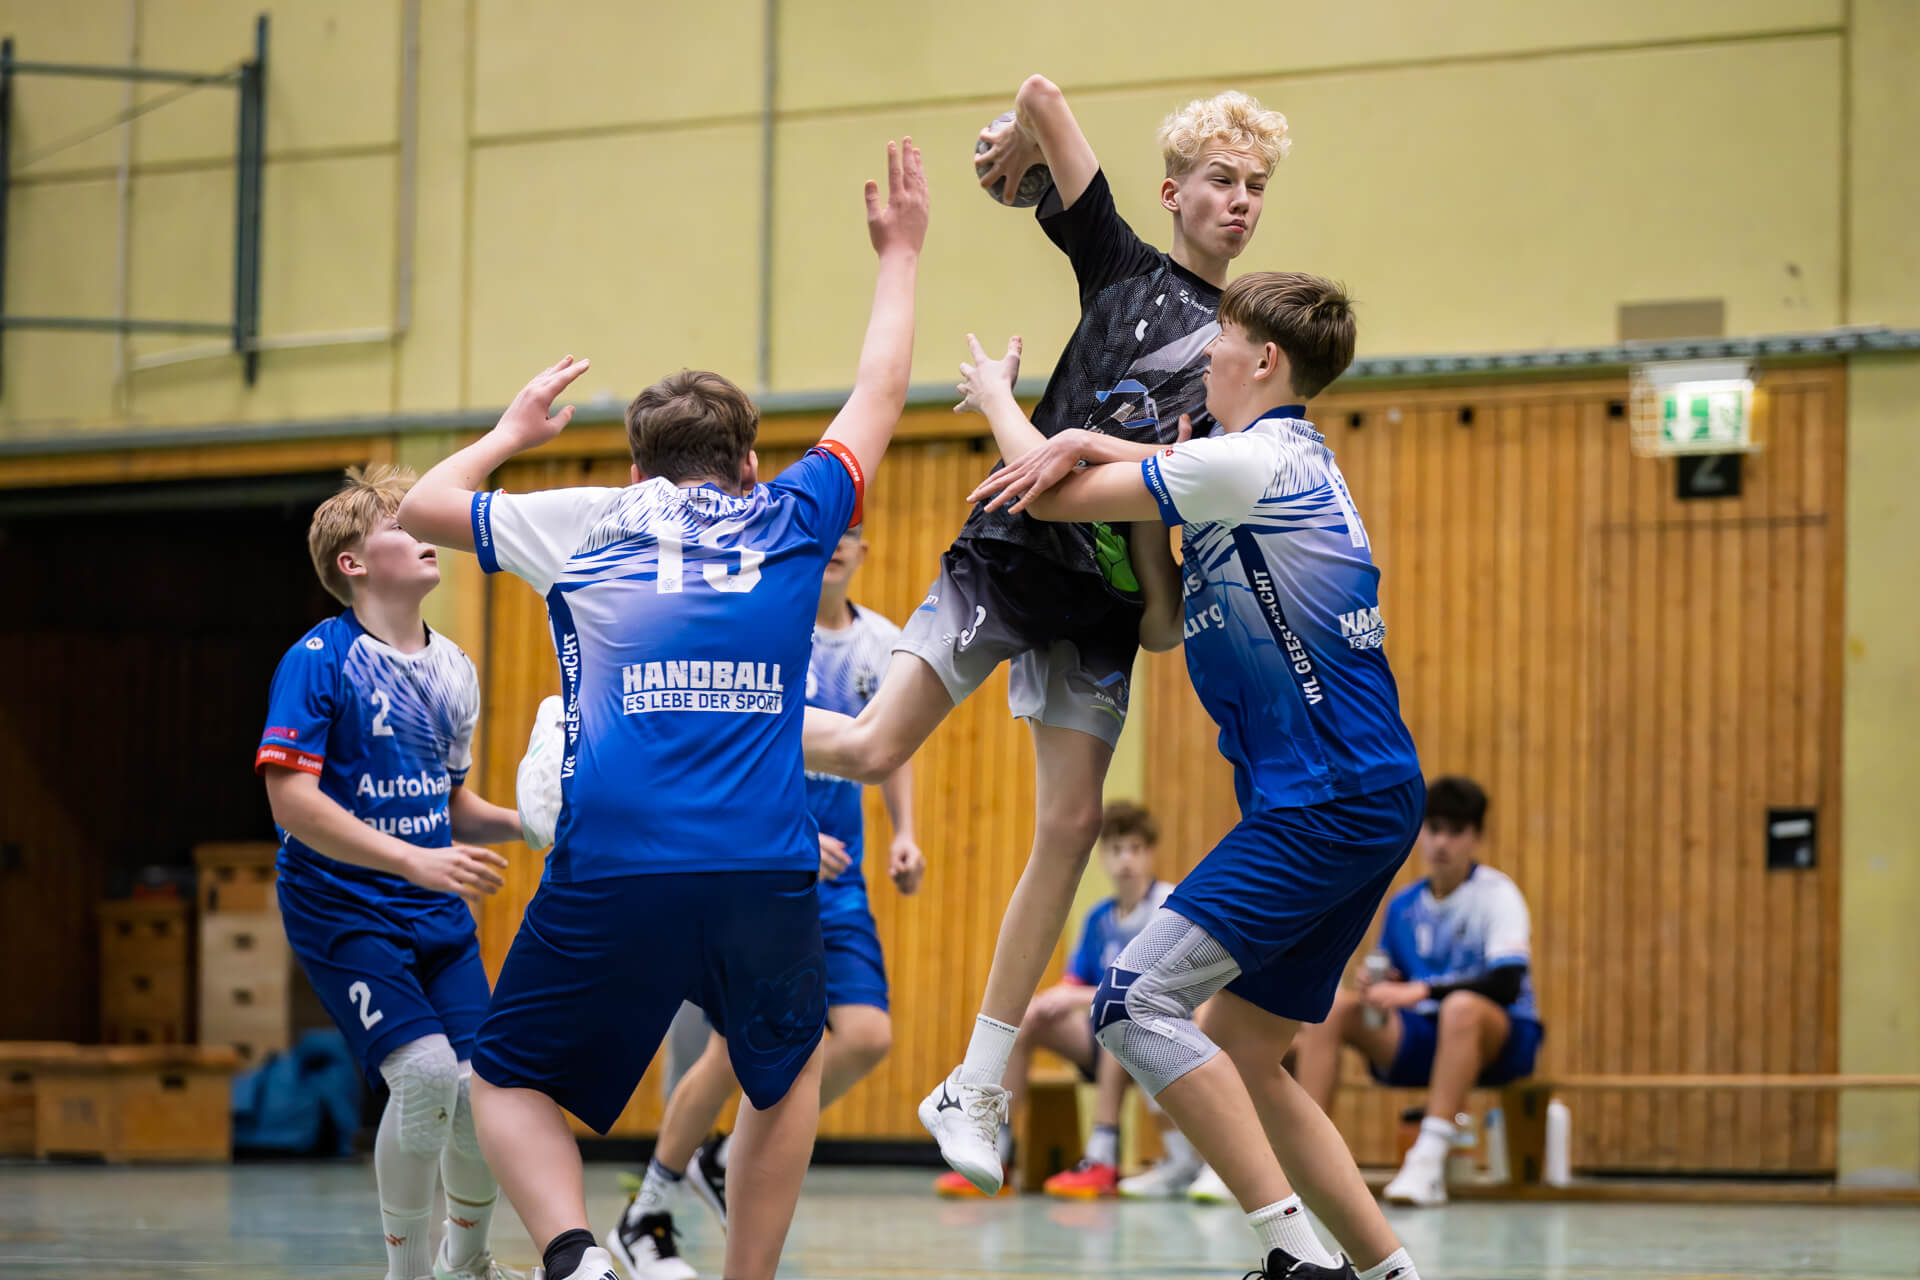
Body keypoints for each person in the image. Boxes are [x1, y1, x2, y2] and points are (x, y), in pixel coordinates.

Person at [392, 137, 928, 1280]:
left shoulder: (589, 519)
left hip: (616, 859)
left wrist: (513, 430)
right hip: (765, 861)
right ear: (749, 464)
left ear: (637, 469)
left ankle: (577, 1256)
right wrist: (901, 252)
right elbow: (881, 388)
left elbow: (424, 506)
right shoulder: (793, 515)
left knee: (505, 1076)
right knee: (786, 1073)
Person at [801, 75, 1291, 1197]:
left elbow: (1174, 517)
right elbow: (1041, 94)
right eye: (1222, 179)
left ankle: (974, 1081)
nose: (1241, 201)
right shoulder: (1120, 264)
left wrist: (1139, 555)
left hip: (1106, 602)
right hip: (1014, 554)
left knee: (1069, 826)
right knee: (873, 746)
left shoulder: (1239, 362)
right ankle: (663, 721)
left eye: (1257, 186)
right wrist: (1011, 147)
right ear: (1172, 193)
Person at [954, 271, 1429, 1278]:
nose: (1207, 350)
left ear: (1265, 360)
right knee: (1244, 1054)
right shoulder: (1261, 460)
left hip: (1327, 801)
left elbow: (1053, 495)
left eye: (1224, 336)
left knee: (1131, 1001)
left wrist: (1004, 402)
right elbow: (1163, 621)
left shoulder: (1252, 461)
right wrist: (1113, 454)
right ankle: (1392, 1272)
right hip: (1354, 793)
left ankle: (1295, 1257)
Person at [606, 526, 925, 1278]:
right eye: (831, 532)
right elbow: (725, 749)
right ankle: (646, 1208)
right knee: (730, 1053)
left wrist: (905, 832)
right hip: (763, 873)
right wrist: (793, 836)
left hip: (840, 884)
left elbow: (892, 744)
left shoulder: (882, 643)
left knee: (867, 1036)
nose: (840, 545)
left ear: (866, 551)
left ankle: (723, 1157)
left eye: (854, 535)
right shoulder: (765, 630)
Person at [255, 464, 526, 1280]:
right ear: (353, 563)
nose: (425, 536)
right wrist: (413, 858)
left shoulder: (455, 668)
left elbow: (450, 803)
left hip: (433, 909)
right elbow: (291, 802)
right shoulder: (318, 661)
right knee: (425, 1077)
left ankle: (465, 1264)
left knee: (483, 1091)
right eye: (402, 527)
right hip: (341, 907)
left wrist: (533, 823)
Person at [1289, 776, 1543, 1208]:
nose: (1442, 842)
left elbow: (1506, 984)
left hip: (1500, 1039)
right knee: (1336, 1008)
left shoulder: (1497, 895)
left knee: (1461, 1008)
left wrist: (1419, 990)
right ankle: (1307, 1157)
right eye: (1435, 829)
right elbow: (1396, 981)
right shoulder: (1404, 905)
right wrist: (1379, 987)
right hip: (1426, 1037)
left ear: (1476, 837)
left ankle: (1427, 1159)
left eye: (1456, 831)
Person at [931, 800, 1185, 1199]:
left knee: (1119, 1021)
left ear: (1150, 853)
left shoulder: (1165, 904)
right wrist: (1052, 999)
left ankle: (1102, 1158)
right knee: (1030, 1020)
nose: (1126, 860)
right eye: (1117, 850)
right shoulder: (1099, 917)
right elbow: (1073, 983)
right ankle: (996, 1150)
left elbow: (1150, 991)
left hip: (1160, 1035)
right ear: (1103, 857)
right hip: (1105, 1037)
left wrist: (1076, 996)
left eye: (1135, 849)